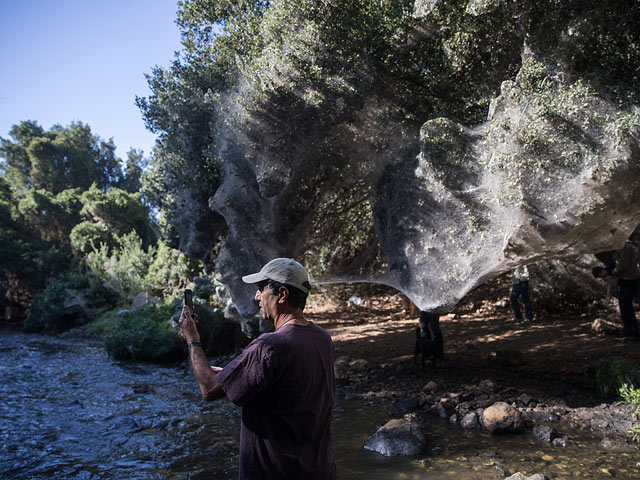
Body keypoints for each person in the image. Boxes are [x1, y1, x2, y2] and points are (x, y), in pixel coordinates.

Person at [179, 258, 337, 479]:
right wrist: (233, 373)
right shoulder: (322, 338)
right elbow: (285, 382)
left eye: (261, 288)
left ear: (282, 294)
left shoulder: (269, 346)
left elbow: (208, 389)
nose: (256, 297)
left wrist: (192, 338)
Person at [597, 241, 640, 340]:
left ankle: (634, 333)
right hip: (624, 279)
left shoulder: (626, 247)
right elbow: (616, 262)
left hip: (630, 280)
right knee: (623, 306)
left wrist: (611, 272)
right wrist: (608, 270)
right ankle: (628, 330)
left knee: (627, 307)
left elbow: (622, 265)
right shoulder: (620, 247)